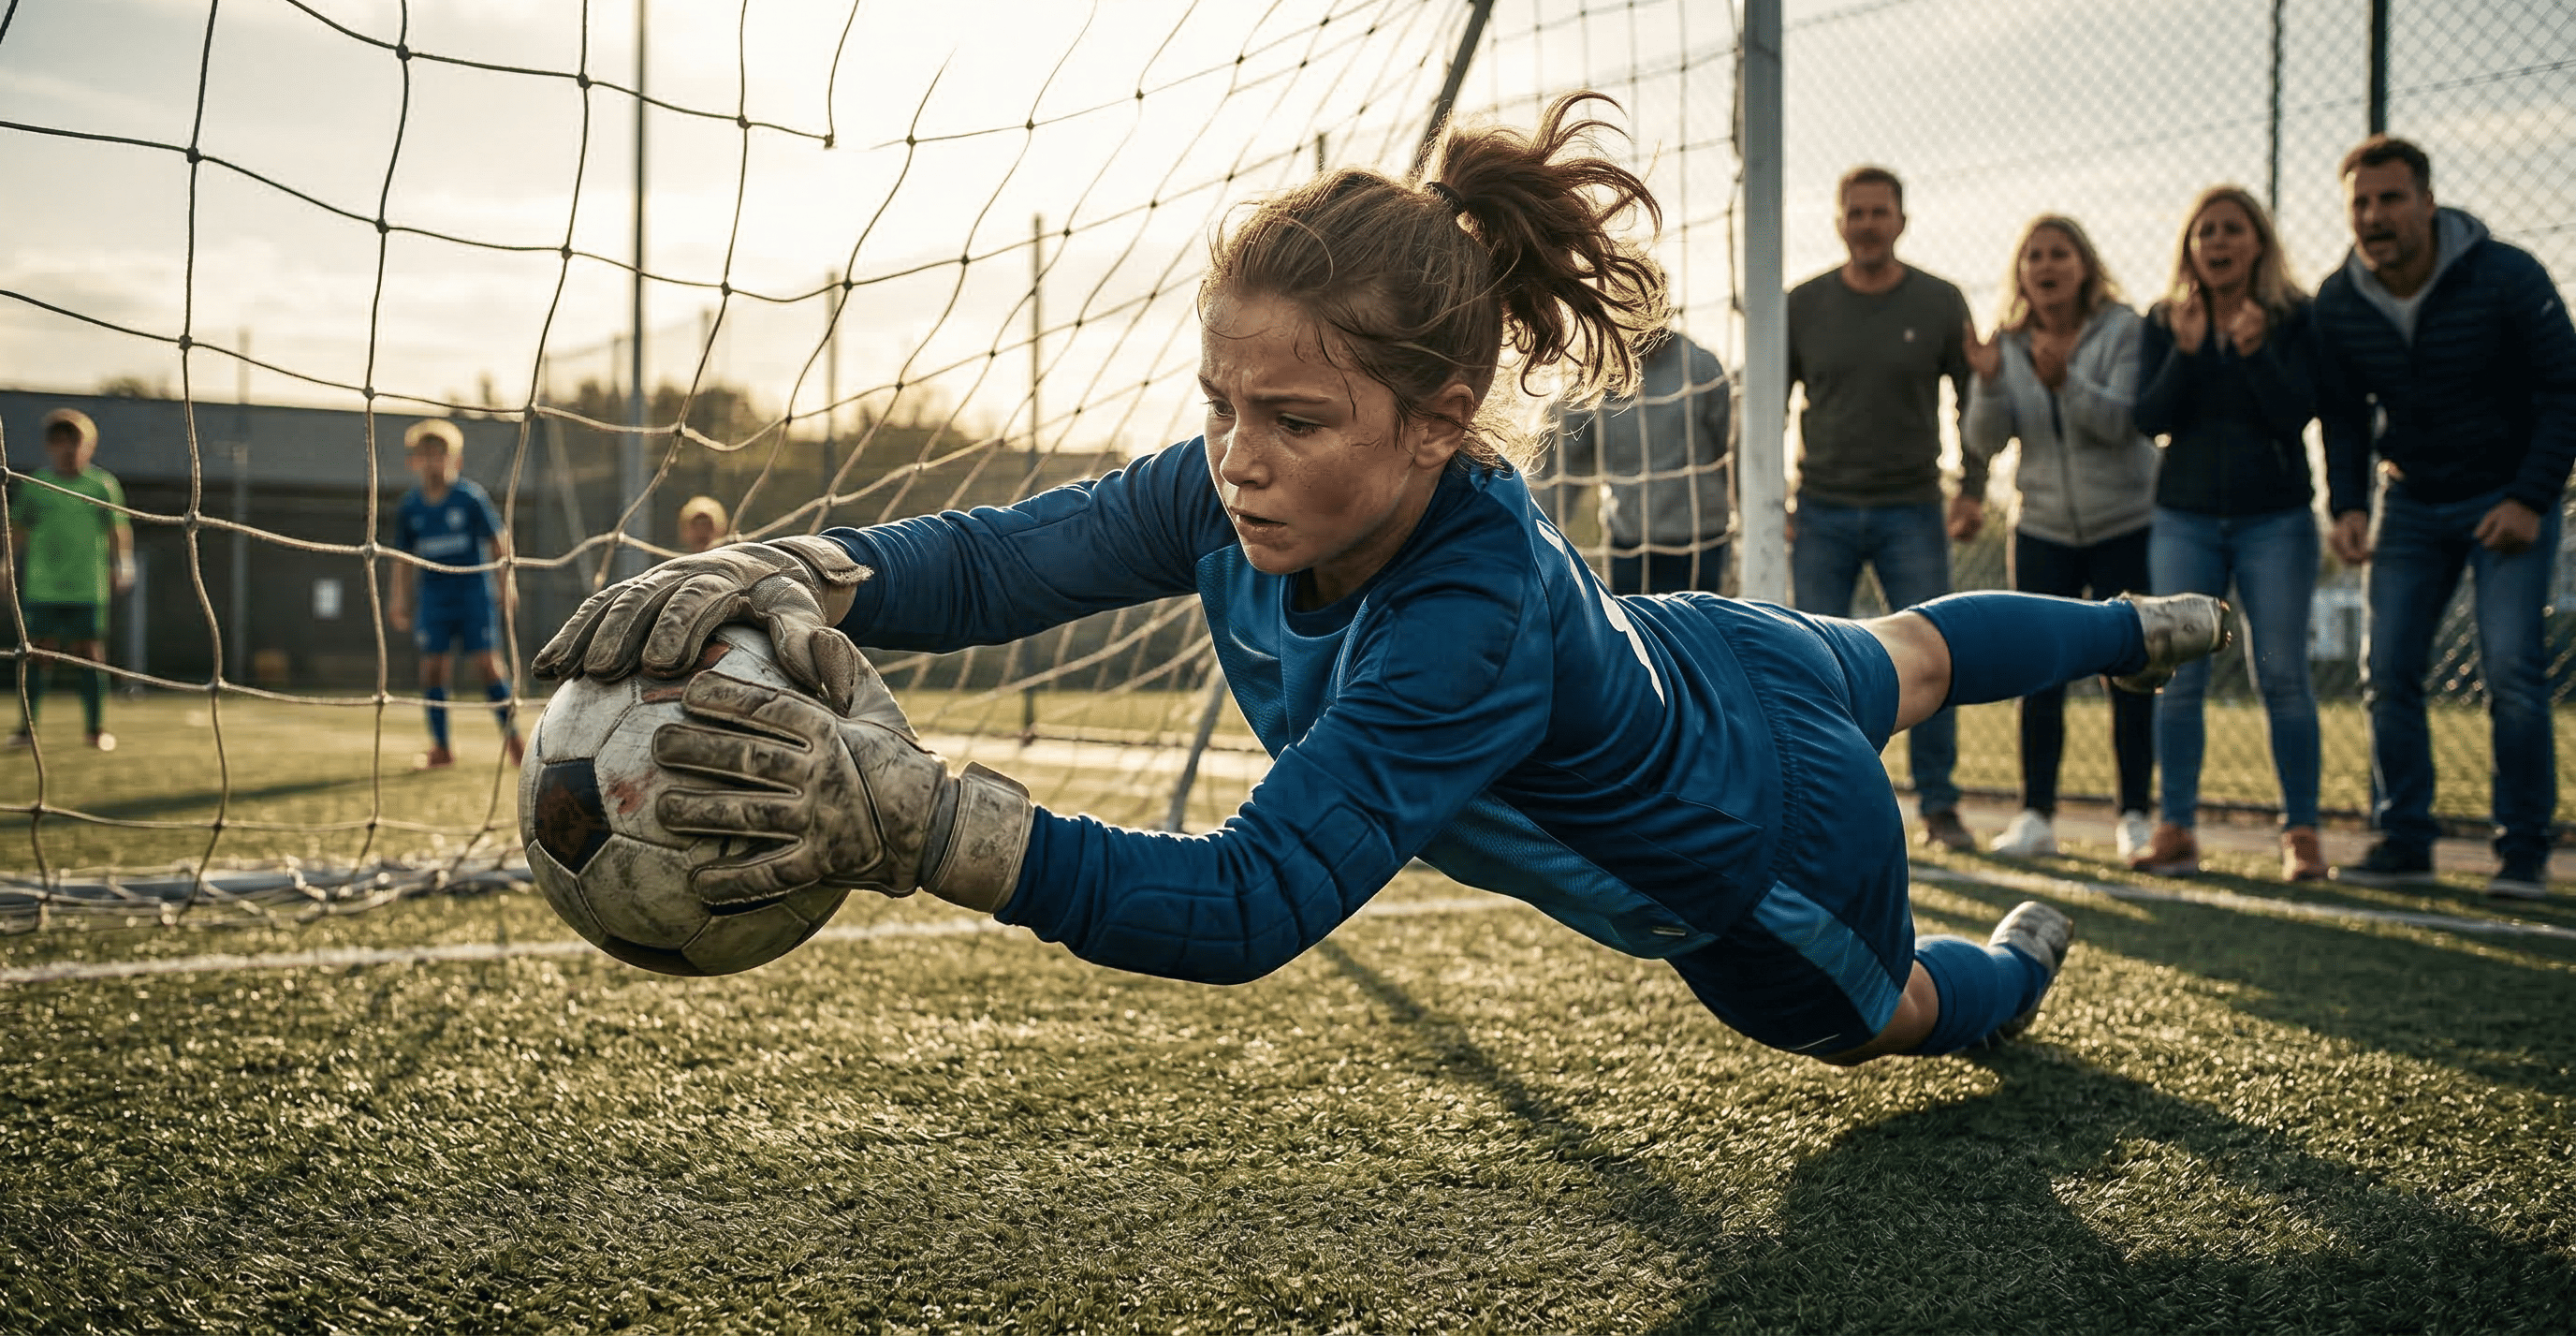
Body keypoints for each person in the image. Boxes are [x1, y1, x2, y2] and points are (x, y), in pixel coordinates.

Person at [537, 94, 2232, 1066]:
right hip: (1699, 650)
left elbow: (1242, 906)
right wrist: (808, 561)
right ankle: (2128, 629)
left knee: (1892, 1014)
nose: (1235, 455)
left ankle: (2016, 953)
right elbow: (1002, 555)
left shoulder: (1460, 627)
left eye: (1289, 418)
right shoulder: (1238, 486)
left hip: (1766, 854)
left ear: (1435, 428)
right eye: (1217, 407)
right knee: (1906, 655)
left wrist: (925, 828)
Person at [2317, 137, 2576, 901]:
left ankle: (2523, 851)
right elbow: (2341, 415)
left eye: (2390, 199)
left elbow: (2567, 390)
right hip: (2413, 500)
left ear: (2428, 202)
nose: (2374, 216)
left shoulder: (2506, 275)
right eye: (2360, 203)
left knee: (2513, 672)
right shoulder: (2340, 299)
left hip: (2508, 498)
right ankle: (2404, 840)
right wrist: (2351, 506)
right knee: (2387, 673)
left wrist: (2530, 498)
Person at [1787, 167, 1989, 854]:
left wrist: (1975, 484)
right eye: (1856, 212)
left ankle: (1940, 809)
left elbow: (1974, 401)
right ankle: (1831, 812)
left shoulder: (1940, 301)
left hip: (1912, 507)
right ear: (1839, 221)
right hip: (1820, 509)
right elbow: (1769, 403)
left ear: (1902, 221)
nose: (1867, 223)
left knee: (1935, 657)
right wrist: (1766, 497)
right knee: (1816, 666)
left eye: (1880, 212)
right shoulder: (1802, 304)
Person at [2132, 185, 2326, 883]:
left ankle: (2301, 831)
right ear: (2189, 246)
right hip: (2183, 519)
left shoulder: (2294, 318)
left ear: (2258, 243)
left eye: (2232, 230)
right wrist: (2185, 353)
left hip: (2275, 520)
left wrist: (2254, 352)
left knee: (2282, 675)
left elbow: (2296, 413)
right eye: (2204, 231)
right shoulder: (2163, 320)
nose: (2216, 243)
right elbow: (2146, 416)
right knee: (2179, 678)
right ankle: (2176, 827)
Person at [1960, 215, 2156, 863]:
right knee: (2038, 672)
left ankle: (2135, 817)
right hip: (2041, 526)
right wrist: (1989, 382)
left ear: (2084, 264)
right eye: (2034, 256)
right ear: (2021, 272)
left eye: (2059, 254)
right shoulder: (2006, 345)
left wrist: (2065, 382)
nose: (2046, 267)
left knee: (2131, 671)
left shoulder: (2123, 329)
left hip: (2125, 520)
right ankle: (2036, 815)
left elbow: (2125, 423)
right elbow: (1984, 442)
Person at [1545, 326, 1733, 594]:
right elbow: (1562, 464)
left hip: (1700, 541)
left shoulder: (1700, 366)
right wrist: (1531, 531)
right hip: (1629, 543)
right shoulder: (1594, 376)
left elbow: (1727, 447)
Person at [389, 418, 522, 770]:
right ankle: (442, 748)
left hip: (473, 595)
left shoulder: (469, 498)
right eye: (426, 455)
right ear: (414, 462)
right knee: (433, 670)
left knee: (488, 667)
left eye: (440, 455)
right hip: (434, 600)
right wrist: (398, 598)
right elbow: (402, 560)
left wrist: (505, 584)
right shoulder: (410, 507)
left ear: (455, 460)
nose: (434, 462)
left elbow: (499, 542)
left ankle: (515, 744)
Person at [6, 408, 134, 752]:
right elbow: (18, 529)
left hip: (87, 587)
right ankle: (25, 731)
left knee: (90, 654)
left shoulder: (102, 485)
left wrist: (124, 562)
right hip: (43, 585)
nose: (69, 450)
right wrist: (6, 563)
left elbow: (118, 527)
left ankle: (95, 730)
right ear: (50, 446)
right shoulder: (36, 485)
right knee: (37, 653)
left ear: (89, 445)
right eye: (61, 443)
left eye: (76, 442)